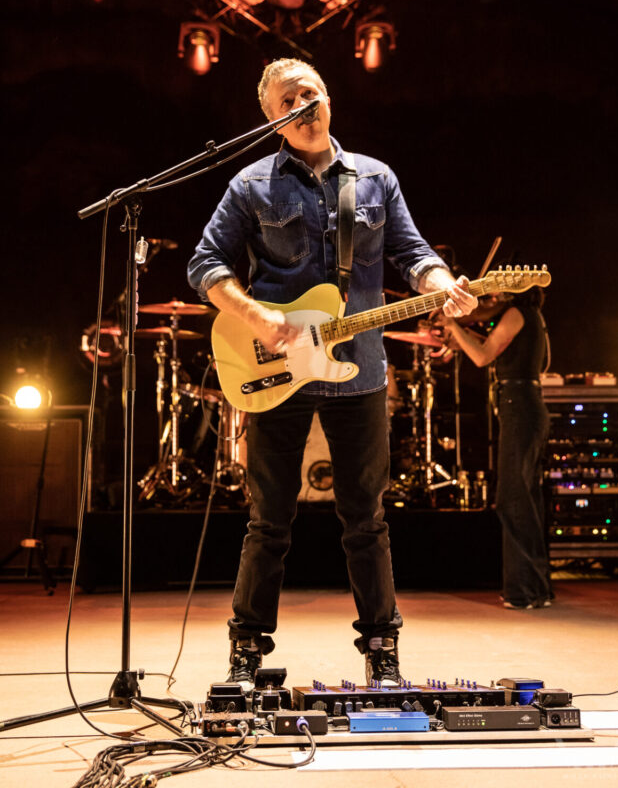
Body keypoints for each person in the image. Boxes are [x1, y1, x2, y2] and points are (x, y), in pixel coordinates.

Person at [187, 57, 477, 687]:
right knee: (269, 519)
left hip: (361, 370)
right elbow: (205, 264)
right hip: (274, 373)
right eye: (291, 97)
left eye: (312, 91)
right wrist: (256, 315)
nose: (306, 101)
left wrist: (442, 283)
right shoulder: (251, 185)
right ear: (272, 118)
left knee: (366, 518)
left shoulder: (374, 178)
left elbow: (413, 253)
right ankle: (246, 649)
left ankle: (382, 649)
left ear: (329, 98)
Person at [439, 286, 552, 610]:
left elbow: (482, 356)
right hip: (526, 404)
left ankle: (522, 592)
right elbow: (485, 344)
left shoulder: (517, 314)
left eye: (499, 289)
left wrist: (454, 326)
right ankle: (538, 589)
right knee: (527, 499)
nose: (493, 295)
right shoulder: (529, 316)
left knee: (512, 500)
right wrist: (459, 330)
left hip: (519, 405)